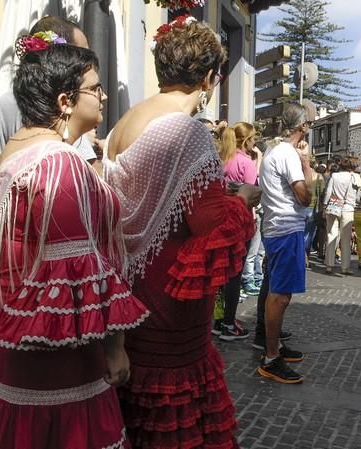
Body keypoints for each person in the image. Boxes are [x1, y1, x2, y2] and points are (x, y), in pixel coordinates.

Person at [0, 36, 148, 449]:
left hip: (19, 342)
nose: (103, 95)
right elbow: (80, 272)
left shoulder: (13, 153)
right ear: (65, 101)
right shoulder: (60, 164)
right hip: (61, 350)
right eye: (95, 88)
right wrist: (115, 349)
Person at [102, 16, 259, 448]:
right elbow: (214, 228)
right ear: (209, 78)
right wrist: (243, 199)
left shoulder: (123, 123)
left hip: (126, 295)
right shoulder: (187, 133)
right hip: (169, 304)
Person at [0, 16, 98, 163]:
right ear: (63, 58)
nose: (87, 61)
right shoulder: (66, 106)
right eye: (82, 54)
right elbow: (91, 168)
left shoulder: (3, 102)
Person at [257, 103, 313, 384]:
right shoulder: (288, 154)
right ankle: (270, 358)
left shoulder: (272, 150)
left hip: (276, 227)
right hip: (286, 228)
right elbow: (305, 197)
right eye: (310, 125)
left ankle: (274, 347)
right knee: (280, 295)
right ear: (301, 127)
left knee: (276, 291)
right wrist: (306, 163)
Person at [212, 122, 259, 340]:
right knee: (235, 273)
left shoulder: (222, 160)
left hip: (221, 220)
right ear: (247, 140)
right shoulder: (246, 163)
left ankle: (218, 319)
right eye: (254, 138)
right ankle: (230, 323)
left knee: (221, 271)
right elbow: (251, 195)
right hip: (241, 221)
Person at [323, 156, 361, 275]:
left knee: (331, 234)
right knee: (346, 239)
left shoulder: (334, 176)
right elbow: (358, 196)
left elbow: (328, 192)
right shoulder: (355, 177)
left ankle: (329, 265)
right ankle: (345, 267)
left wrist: (325, 205)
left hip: (333, 206)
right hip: (348, 208)